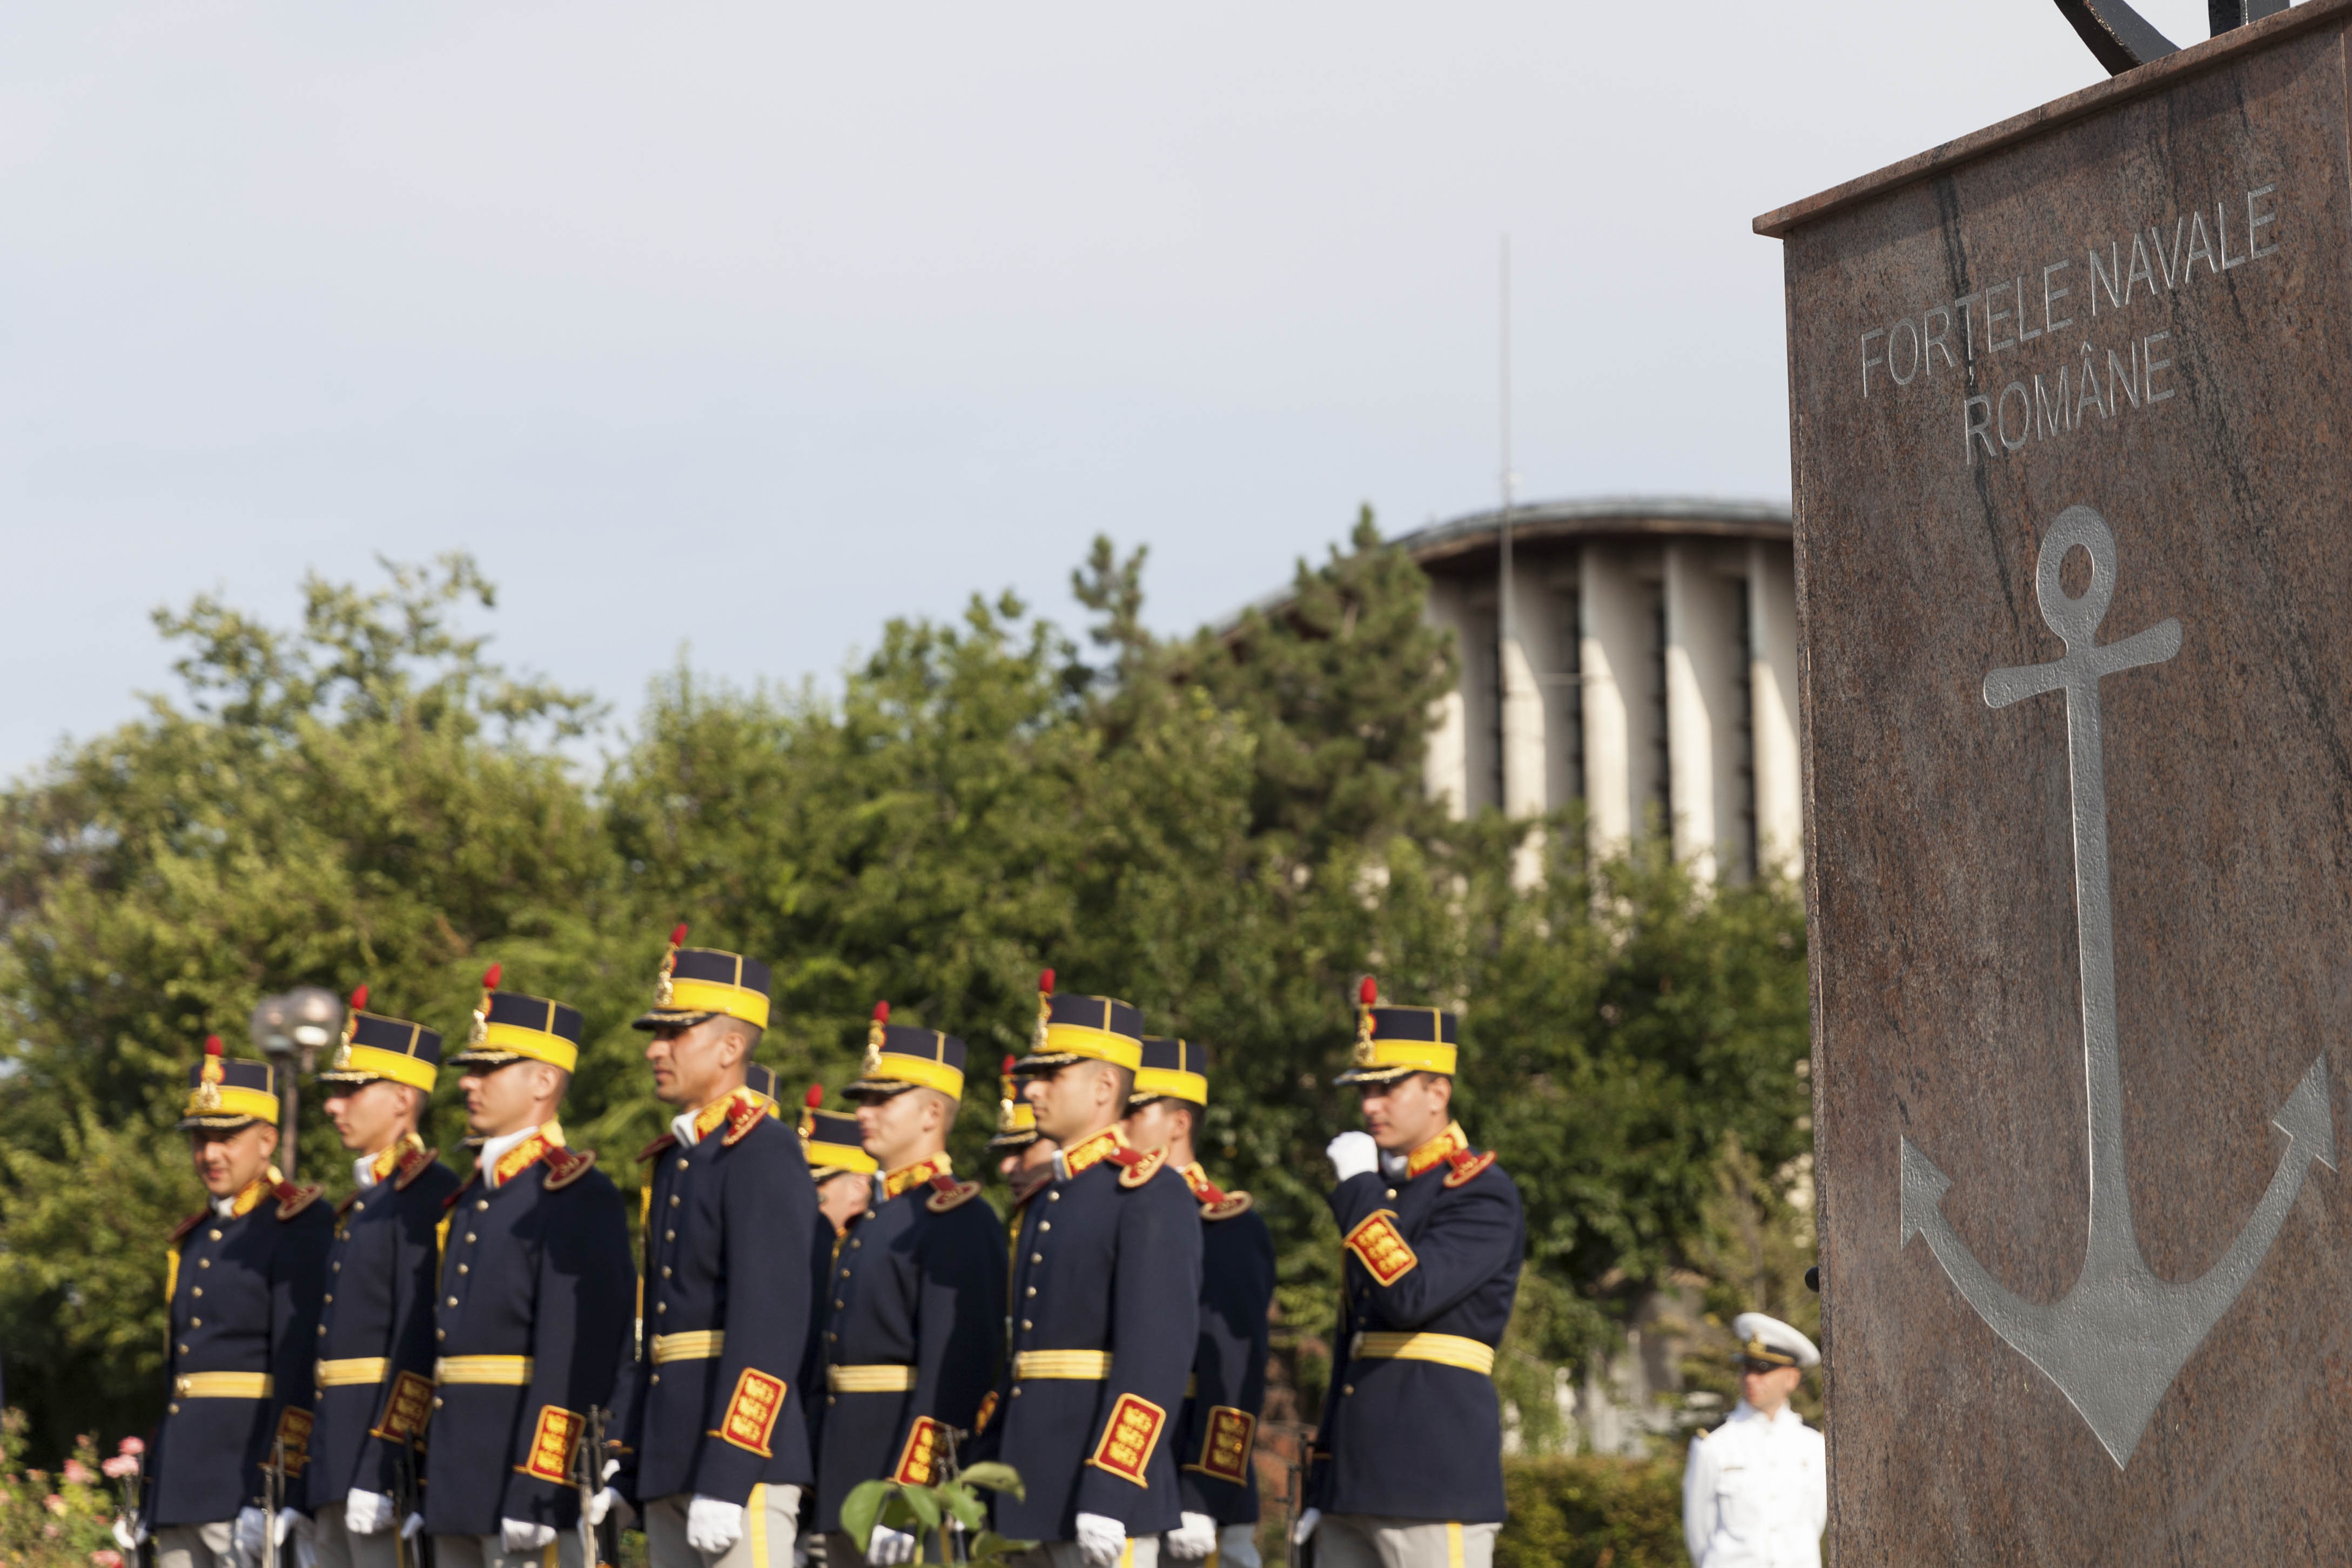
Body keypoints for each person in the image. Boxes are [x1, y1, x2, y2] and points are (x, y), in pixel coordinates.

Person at [605, 930, 819, 1568]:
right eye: (656, 1032)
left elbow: (770, 1325)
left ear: (730, 1046)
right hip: (673, 1453)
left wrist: (730, 1469)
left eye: (676, 1033)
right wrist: (629, 1455)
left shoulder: (762, 1150)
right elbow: (660, 1331)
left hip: (739, 1461)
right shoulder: (678, 1159)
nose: (654, 1049)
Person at [1295, 979, 1524, 1568]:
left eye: (1387, 1086)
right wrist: (1324, 1482)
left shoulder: (1480, 1191)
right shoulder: (1391, 1189)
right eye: (1364, 1089)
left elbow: (1408, 1295)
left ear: (1437, 1091)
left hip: (1430, 1478)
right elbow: (1353, 1346)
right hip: (1354, 1481)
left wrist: (1358, 1190)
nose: (1370, 1104)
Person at [985, 973, 1201, 1568]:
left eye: (1052, 1073)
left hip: (1102, 1485)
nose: (1032, 1088)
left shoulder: (1150, 1193)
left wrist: (1112, 1485)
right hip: (1030, 1485)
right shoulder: (1048, 1197)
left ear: (1106, 1084)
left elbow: (1155, 1358)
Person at [425, 967, 634, 1568]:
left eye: (489, 1069)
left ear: (544, 1079)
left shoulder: (573, 1192)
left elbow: (579, 1357)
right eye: (470, 1068)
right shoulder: (473, 1198)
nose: (469, 1083)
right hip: (459, 1478)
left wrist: (541, 1480)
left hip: (526, 1475)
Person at [812, 1005, 1007, 1566]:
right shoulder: (878, 1216)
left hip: (899, 1476)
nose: (863, 1112)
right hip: (844, 1472)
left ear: (931, 1112)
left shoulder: (956, 1217)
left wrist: (910, 1491)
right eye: (862, 1099)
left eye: (882, 1099)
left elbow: (958, 1371)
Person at [133, 1036, 333, 1568]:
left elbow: (298, 1366)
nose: (210, 1153)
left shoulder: (297, 1223)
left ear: (267, 1139)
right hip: (182, 1483)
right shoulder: (197, 1237)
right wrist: (154, 1484)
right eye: (200, 1137)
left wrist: (279, 1485)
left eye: (226, 1136)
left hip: (247, 1475)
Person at [308, 990, 462, 1568]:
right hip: (333, 1458)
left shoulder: (424, 1195)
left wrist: (389, 1454)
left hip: (381, 1458)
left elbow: (419, 1341)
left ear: (402, 1098)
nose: (332, 1104)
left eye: (351, 1090)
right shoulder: (368, 1202)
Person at [1121, 1038, 1273, 1568]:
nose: (1120, 1122)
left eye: (1135, 1109)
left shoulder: (1223, 1224)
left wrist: (1204, 1489)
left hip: (1188, 1479)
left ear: (1178, 1123)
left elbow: (1233, 1371)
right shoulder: (1116, 1207)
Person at [1680, 1313, 1826, 1568]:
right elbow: (1699, 1531)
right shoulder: (1713, 1444)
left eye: (1764, 1370)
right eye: (1747, 1368)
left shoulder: (1813, 1444)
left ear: (1792, 1378)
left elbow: (1816, 1520)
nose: (1750, 1379)